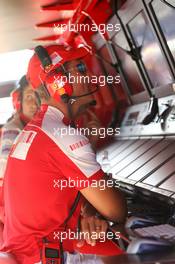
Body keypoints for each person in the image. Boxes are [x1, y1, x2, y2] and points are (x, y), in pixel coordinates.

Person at [1, 44, 127, 264]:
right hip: (46, 256)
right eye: (80, 68)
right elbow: (117, 211)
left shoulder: (41, 127)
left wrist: (89, 211)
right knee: (132, 251)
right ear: (58, 83)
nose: (89, 74)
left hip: (35, 251)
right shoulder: (61, 134)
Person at [0, 75, 39, 180]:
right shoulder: (12, 129)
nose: (34, 104)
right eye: (29, 97)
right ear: (18, 101)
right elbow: (4, 169)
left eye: (38, 97)